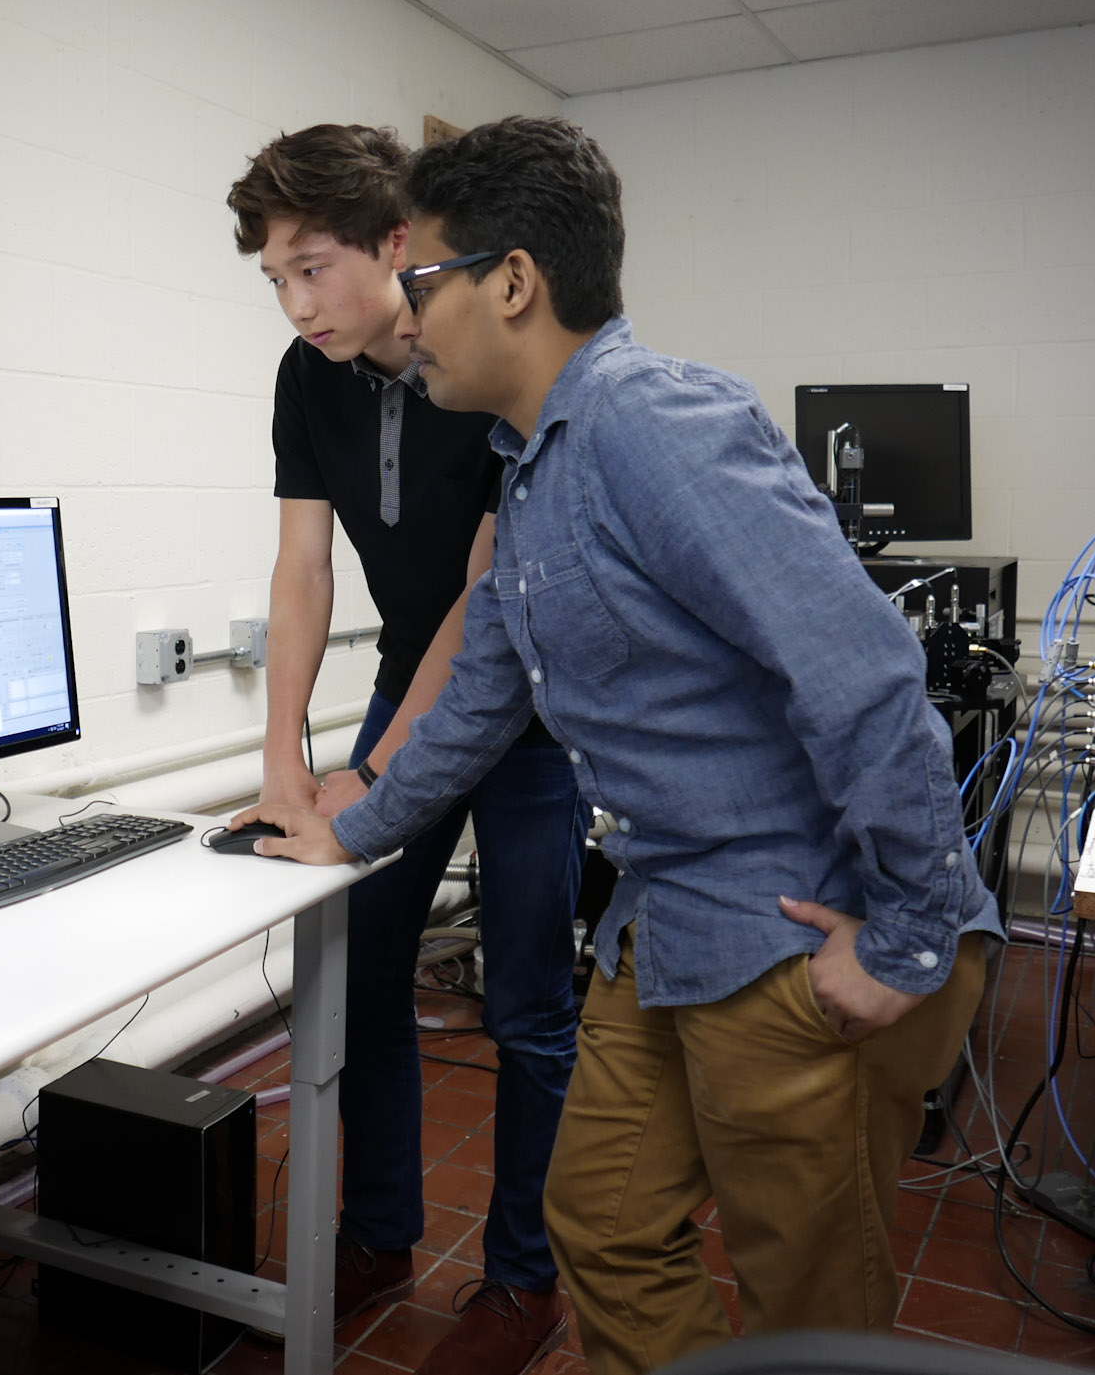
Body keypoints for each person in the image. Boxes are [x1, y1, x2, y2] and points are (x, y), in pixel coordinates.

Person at [239, 115, 1000, 1375]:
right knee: (599, 1224)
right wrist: (350, 826)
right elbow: (478, 689)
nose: (406, 319)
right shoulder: (529, 462)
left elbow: (864, 674)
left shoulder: (652, 422)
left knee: (806, 1309)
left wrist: (912, 934)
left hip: (792, 925)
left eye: (422, 284)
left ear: (513, 283)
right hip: (665, 919)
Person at [225, 124, 584, 1375]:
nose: (296, 302)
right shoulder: (304, 373)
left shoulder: (475, 359)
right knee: (363, 970)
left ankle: (521, 1282)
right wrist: (283, 755)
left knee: (526, 998)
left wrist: (376, 778)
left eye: (312, 267)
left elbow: (482, 609)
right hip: (402, 682)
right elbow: (302, 567)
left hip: (531, 708)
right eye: (275, 278)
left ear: (393, 243)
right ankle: (378, 1234)